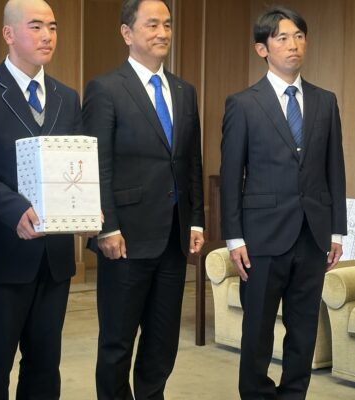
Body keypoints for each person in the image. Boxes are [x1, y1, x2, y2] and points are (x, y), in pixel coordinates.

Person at [0, 0, 82, 398]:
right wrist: (14, 209)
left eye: (52, 27)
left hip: (55, 258)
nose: (47, 36)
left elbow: (76, 163)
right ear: (8, 34)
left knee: (45, 366)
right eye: (36, 26)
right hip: (2, 255)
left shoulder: (67, 97)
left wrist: (87, 207)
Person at [220, 6, 347, 400]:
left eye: (299, 36)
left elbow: (335, 169)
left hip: (313, 234)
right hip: (261, 238)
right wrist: (234, 238)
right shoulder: (243, 104)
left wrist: (337, 230)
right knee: (257, 329)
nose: (294, 45)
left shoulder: (325, 101)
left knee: (303, 329)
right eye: (282, 38)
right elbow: (230, 176)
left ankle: (294, 394)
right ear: (262, 49)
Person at [82, 0, 205, 398]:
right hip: (125, 238)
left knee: (162, 341)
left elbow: (191, 161)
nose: (162, 33)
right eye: (152, 25)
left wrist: (196, 220)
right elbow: (97, 164)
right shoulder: (106, 88)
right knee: (117, 342)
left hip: (173, 237)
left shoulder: (184, 91)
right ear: (127, 33)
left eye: (167, 25)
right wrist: (107, 227)